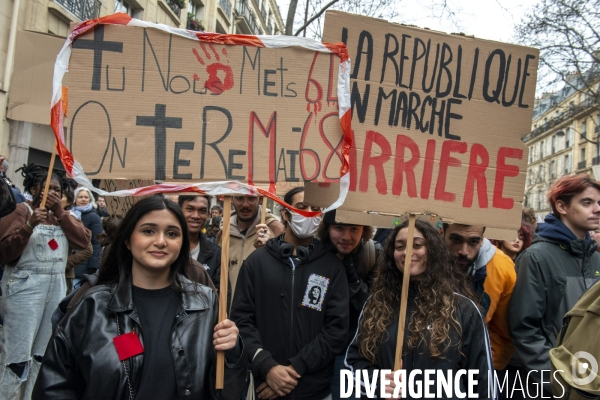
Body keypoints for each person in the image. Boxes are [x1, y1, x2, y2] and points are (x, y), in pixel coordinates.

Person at [32, 196, 247, 399]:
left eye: (172, 234)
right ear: (127, 240)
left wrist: (233, 354)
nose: (161, 241)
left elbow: (227, 392)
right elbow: (55, 387)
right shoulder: (92, 307)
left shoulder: (206, 304)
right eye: (148, 231)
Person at [346, 220, 494, 399]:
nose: (408, 253)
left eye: (417, 245)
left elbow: (484, 382)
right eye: (400, 246)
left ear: (433, 250)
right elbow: (354, 362)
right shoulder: (377, 305)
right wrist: (378, 383)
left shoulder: (464, 310)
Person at [231, 187, 349, 400]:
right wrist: (267, 367)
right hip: (265, 387)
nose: (308, 213)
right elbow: (241, 320)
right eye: (301, 207)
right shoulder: (256, 263)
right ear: (285, 213)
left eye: (315, 209)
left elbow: (336, 329)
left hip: (315, 390)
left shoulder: (332, 266)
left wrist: (293, 370)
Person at [0, 163, 91, 400]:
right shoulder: (21, 212)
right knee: (17, 358)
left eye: (56, 189)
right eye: (45, 187)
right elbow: (6, 253)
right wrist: (29, 226)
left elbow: (84, 242)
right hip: (25, 287)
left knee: (42, 355)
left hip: (56, 287)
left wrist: (60, 214)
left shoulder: (66, 216)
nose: (51, 192)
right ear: (32, 188)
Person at [509, 174, 600, 396]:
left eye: (599, 203)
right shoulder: (536, 258)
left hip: (590, 384)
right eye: (587, 202)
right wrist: (555, 380)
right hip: (555, 387)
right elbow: (524, 329)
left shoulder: (596, 259)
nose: (597, 209)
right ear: (562, 206)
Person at [316, 210, 381, 400]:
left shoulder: (373, 253)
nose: (346, 237)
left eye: (354, 229)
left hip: (354, 349)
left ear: (364, 230)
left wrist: (350, 273)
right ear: (327, 228)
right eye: (339, 228)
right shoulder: (315, 252)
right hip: (318, 346)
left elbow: (371, 306)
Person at [443, 223, 516, 371]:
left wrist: (482, 368)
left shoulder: (502, 268)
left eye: (473, 242)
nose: (464, 251)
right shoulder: (422, 259)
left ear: (482, 239)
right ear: (442, 232)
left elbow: (503, 333)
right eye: (456, 240)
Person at [218, 194, 284, 304]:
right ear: (232, 200)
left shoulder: (276, 229)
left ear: (260, 199)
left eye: (251, 198)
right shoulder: (223, 231)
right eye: (239, 198)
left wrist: (269, 250)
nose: (245, 204)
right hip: (229, 311)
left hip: (261, 309)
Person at [178, 195, 222, 289]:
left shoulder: (216, 253)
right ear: (179, 211)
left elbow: (221, 294)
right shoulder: (167, 247)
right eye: (190, 209)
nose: (195, 216)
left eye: (202, 211)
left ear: (208, 214)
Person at [72, 187, 103, 287]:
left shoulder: (94, 217)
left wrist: (93, 265)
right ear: (75, 199)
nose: (83, 199)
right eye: (80, 197)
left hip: (84, 265)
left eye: (86, 197)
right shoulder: (69, 214)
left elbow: (97, 242)